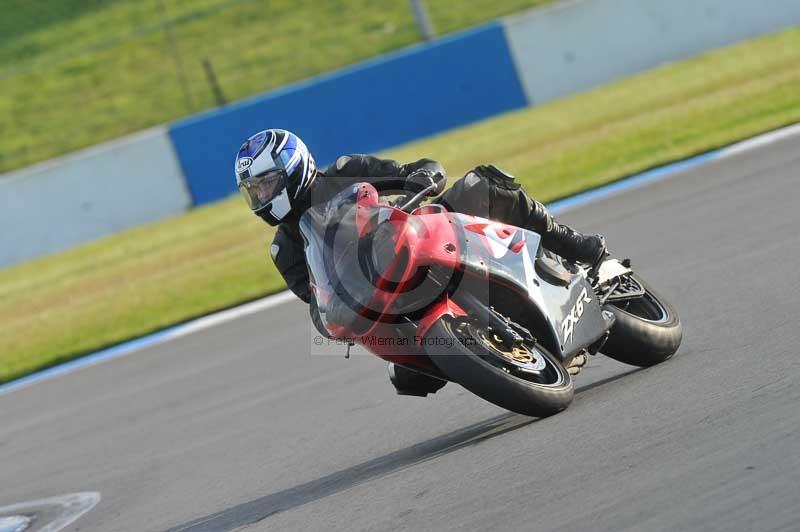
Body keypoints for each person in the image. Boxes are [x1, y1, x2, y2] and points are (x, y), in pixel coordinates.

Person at [235, 129, 605, 394]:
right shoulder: (285, 249)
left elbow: (414, 170)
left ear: (293, 168)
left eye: (266, 185)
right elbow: (316, 298)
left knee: (485, 185)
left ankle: (569, 243)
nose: (262, 197)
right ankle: (487, 355)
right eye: (254, 191)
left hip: (414, 239)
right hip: (382, 301)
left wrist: (422, 178)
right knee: (408, 379)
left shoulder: (345, 170)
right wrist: (327, 321)